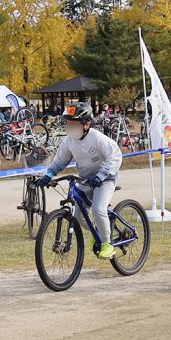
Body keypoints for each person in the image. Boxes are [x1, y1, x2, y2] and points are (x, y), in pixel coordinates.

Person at [35, 102, 122, 259]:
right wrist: (49, 175)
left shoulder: (98, 138)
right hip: (86, 179)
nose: (70, 128)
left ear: (87, 124)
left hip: (106, 178)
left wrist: (101, 175)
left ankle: (107, 244)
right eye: (68, 124)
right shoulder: (69, 141)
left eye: (74, 124)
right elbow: (60, 161)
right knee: (79, 216)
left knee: (97, 209)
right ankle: (98, 232)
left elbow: (115, 157)